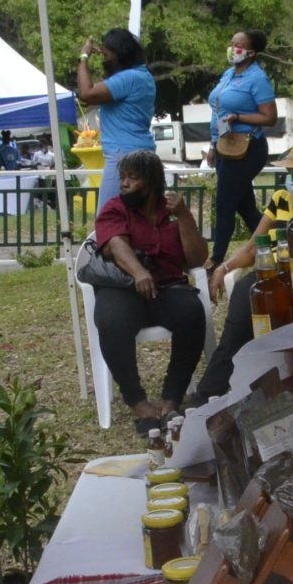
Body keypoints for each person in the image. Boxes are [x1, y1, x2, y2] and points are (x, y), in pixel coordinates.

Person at [189, 139, 293, 405]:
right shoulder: (282, 200)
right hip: (272, 275)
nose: (290, 181)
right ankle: (207, 397)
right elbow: (254, 247)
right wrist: (224, 267)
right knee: (243, 306)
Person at [91, 149, 209, 434]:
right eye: (123, 177)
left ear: (153, 181)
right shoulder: (115, 208)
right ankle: (138, 403)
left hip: (166, 287)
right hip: (123, 288)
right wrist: (138, 271)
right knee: (111, 320)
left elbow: (195, 259)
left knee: (192, 313)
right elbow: (115, 244)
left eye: (133, 177)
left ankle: (171, 401)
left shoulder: (172, 213)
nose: (125, 183)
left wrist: (182, 216)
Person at [205, 29, 278, 256]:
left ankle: (216, 261)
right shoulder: (228, 75)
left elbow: (270, 117)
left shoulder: (257, 79)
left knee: (224, 203)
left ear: (251, 53)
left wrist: (239, 117)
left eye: (238, 45)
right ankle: (274, 245)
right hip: (225, 147)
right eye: (232, 42)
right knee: (245, 207)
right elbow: (218, 111)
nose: (232, 48)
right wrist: (212, 145)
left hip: (248, 148)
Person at [74, 27, 156, 203]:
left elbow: (86, 93)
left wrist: (84, 57)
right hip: (143, 150)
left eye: (106, 55)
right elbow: (93, 98)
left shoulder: (128, 78)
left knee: (107, 217)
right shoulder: (144, 75)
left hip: (122, 155)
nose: (104, 60)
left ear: (119, 53)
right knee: (136, 215)